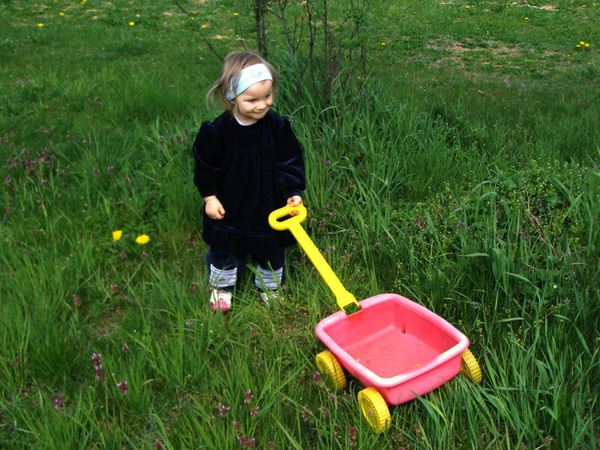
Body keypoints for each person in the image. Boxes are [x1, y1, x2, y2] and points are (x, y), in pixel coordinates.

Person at [192, 51, 306, 313]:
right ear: (232, 97)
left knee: (270, 245)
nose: (262, 105)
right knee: (225, 245)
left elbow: (290, 160)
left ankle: (270, 286)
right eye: (252, 99)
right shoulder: (217, 132)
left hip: (268, 201)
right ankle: (222, 289)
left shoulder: (277, 127)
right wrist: (209, 196)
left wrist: (293, 190)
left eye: (267, 96)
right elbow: (206, 166)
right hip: (229, 202)